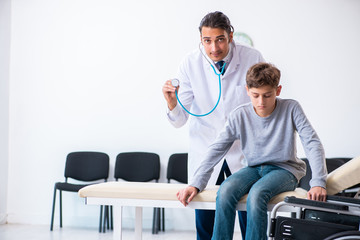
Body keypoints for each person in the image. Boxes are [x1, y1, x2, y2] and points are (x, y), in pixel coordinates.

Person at [177, 62, 328, 240]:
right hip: (254, 168)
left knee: (257, 194)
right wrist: (196, 182)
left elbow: (312, 143)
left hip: (285, 170)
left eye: (267, 95)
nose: (261, 102)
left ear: (278, 90)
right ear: (247, 90)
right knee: (225, 191)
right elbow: (217, 148)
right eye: (255, 95)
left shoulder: (291, 108)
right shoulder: (239, 115)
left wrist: (318, 181)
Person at [162, 11, 264, 239]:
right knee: (206, 225)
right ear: (201, 40)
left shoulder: (252, 57)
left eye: (220, 39)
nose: (214, 48)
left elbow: (263, 107)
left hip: (244, 153)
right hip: (207, 152)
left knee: (250, 221)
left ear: (230, 35)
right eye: (207, 41)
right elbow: (179, 120)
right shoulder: (190, 63)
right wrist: (171, 104)